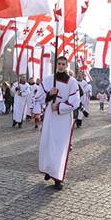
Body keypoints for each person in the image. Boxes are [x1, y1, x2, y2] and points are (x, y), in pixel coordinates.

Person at [35, 56, 80, 189]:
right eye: (59, 64)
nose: (60, 66)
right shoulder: (49, 80)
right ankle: (50, 169)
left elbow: (75, 101)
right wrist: (49, 94)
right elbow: (38, 97)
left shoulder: (72, 82)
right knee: (49, 143)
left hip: (63, 118)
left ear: (66, 65)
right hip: (50, 117)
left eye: (63, 64)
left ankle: (58, 177)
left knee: (61, 146)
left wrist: (59, 106)